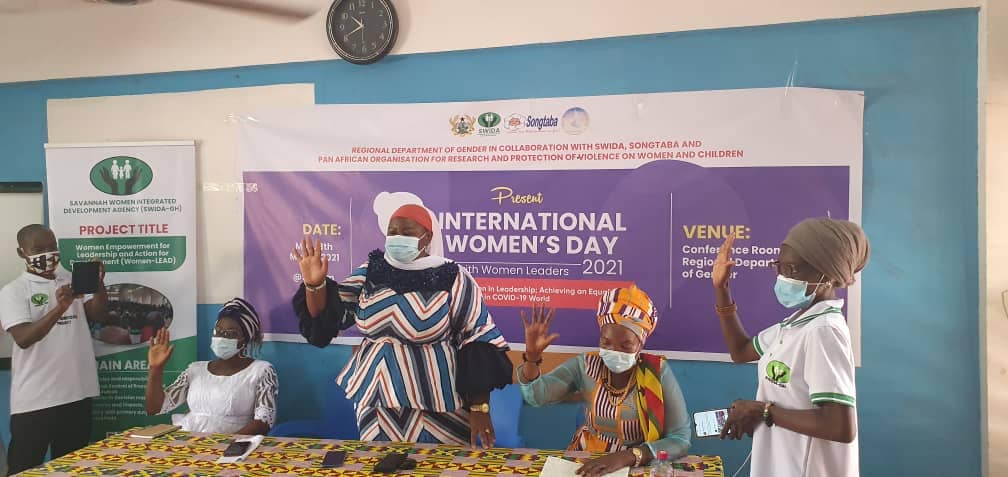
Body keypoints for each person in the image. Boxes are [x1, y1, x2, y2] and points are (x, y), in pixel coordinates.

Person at [292, 201, 512, 448]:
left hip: (438, 403)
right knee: (380, 464)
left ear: (427, 237)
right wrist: (315, 285)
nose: (398, 237)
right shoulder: (372, 271)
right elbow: (328, 316)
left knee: (439, 466)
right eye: (393, 232)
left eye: (407, 232)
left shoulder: (453, 278)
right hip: (376, 401)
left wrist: (480, 408)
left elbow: (478, 340)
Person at [712, 218, 869, 477]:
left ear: (827, 275)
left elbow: (840, 426)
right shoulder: (796, 325)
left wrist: (762, 411)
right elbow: (740, 351)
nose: (783, 277)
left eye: (792, 269)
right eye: (780, 267)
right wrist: (722, 287)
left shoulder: (823, 331)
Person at [518, 286, 691, 477]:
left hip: (637, 462)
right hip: (587, 457)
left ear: (640, 343)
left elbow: (680, 439)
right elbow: (536, 396)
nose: (614, 351)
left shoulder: (656, 372)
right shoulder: (585, 365)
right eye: (606, 343)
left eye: (626, 345)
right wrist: (531, 358)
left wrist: (627, 456)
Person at [0, 224, 110, 474]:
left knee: (71, 470)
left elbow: (98, 315)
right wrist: (60, 308)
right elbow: (24, 338)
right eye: (39, 249)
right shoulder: (13, 291)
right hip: (35, 400)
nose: (48, 254)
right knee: (24, 469)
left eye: (52, 247)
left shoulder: (71, 281)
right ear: (21, 253)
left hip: (77, 394)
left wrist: (99, 284)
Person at [145, 298, 278, 435]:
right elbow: (154, 408)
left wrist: (223, 443)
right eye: (217, 331)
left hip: (230, 444)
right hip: (187, 441)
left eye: (231, 334)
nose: (221, 337)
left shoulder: (261, 371)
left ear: (245, 339)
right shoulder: (195, 370)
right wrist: (156, 369)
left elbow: (263, 423)